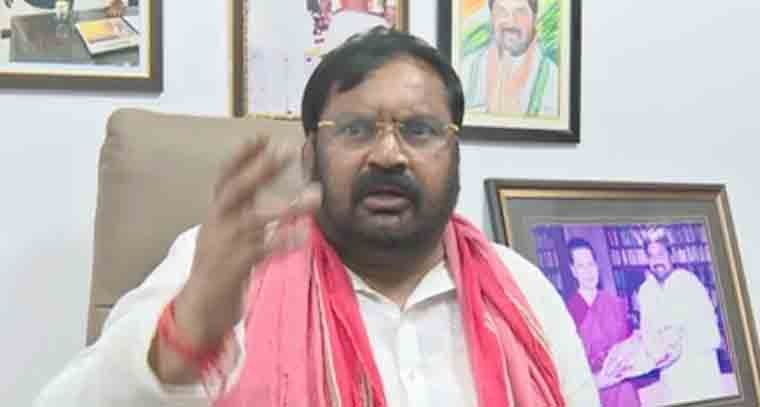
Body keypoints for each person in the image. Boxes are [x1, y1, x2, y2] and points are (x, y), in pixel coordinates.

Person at [35, 27, 599, 407]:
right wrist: (181, 342)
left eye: (419, 130)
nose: (388, 155)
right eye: (354, 129)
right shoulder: (227, 265)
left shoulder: (523, 291)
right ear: (309, 155)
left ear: (454, 153)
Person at [634, 227, 725, 405]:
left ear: (671, 255)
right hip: (671, 378)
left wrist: (680, 340)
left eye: (661, 254)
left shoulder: (690, 283)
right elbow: (648, 335)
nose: (656, 261)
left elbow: (713, 336)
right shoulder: (645, 291)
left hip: (699, 372)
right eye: (651, 256)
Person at [564, 238, 640, 407]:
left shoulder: (615, 303)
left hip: (625, 391)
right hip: (595, 394)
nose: (589, 272)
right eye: (581, 266)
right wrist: (597, 381)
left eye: (591, 264)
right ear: (573, 271)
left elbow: (630, 345)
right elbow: (570, 367)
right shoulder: (570, 312)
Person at [461, 0, 559, 117]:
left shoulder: (554, 78)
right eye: (501, 11)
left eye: (520, 12)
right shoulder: (467, 67)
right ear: (492, 17)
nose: (511, 22)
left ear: (534, 19)